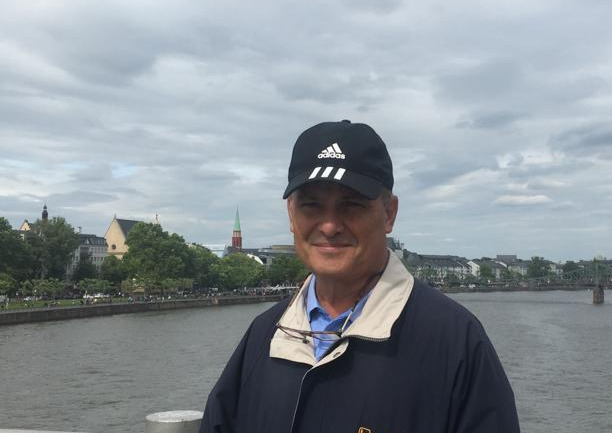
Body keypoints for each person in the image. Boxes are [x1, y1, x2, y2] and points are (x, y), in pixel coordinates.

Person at [200, 120, 520, 433]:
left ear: (389, 214)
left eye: (350, 206)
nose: (329, 226)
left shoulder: (455, 342)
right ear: (291, 215)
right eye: (311, 206)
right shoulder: (264, 335)